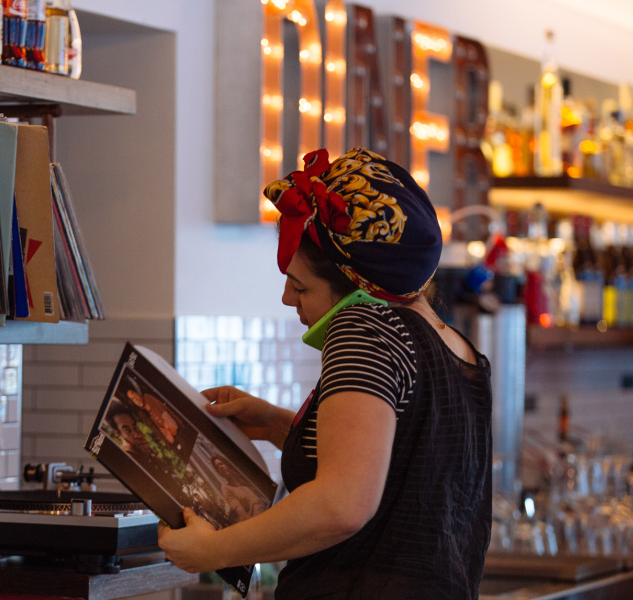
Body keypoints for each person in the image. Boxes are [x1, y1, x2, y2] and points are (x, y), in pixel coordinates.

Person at [158, 147, 492, 599]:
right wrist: (278, 426)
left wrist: (212, 551)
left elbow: (342, 506)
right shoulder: (460, 351)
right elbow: (398, 468)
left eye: (300, 286)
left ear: (359, 286)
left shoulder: (365, 327)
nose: (287, 298)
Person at [210, 454, 267, 523]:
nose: (221, 467)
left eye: (221, 464)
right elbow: (244, 516)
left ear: (226, 464)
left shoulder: (242, 478)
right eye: (217, 467)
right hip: (259, 517)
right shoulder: (225, 488)